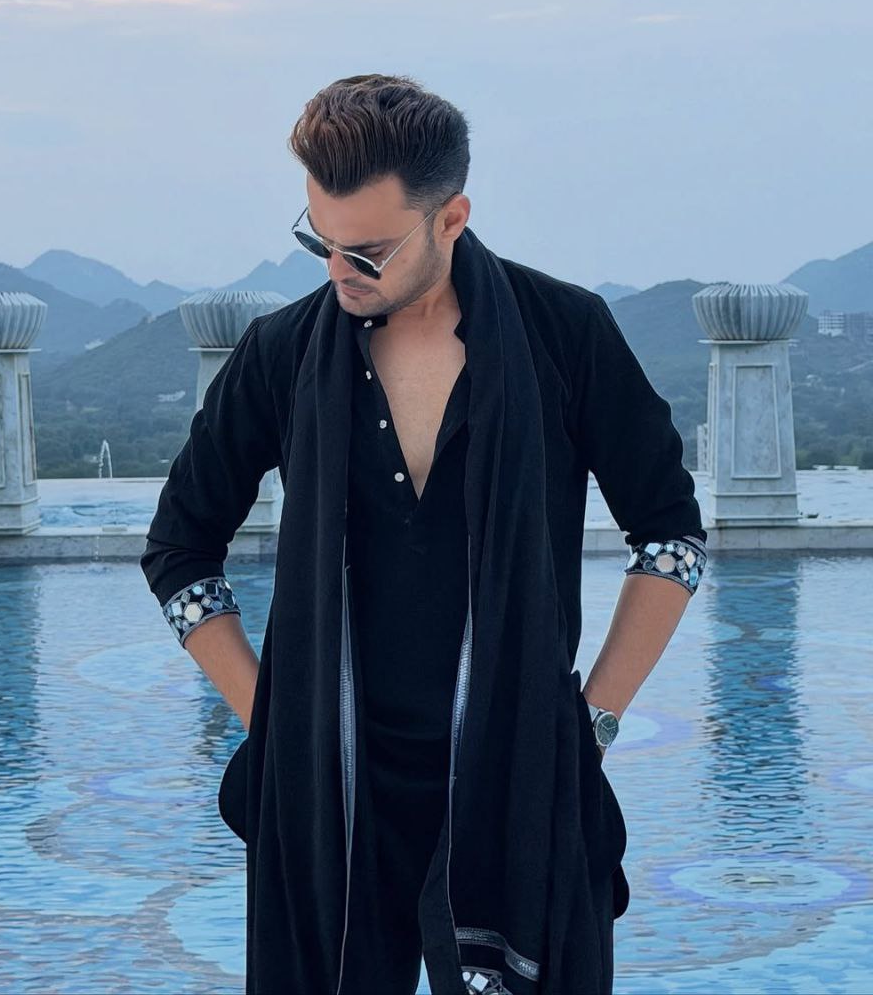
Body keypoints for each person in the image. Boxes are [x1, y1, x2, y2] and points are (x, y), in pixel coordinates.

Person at [140, 73, 708, 995]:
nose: (338, 271)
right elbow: (178, 549)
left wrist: (591, 723)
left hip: (516, 772)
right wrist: (275, 720)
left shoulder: (563, 333)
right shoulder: (282, 353)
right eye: (319, 241)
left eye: (367, 251)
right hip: (330, 791)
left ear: (451, 218)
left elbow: (671, 536)